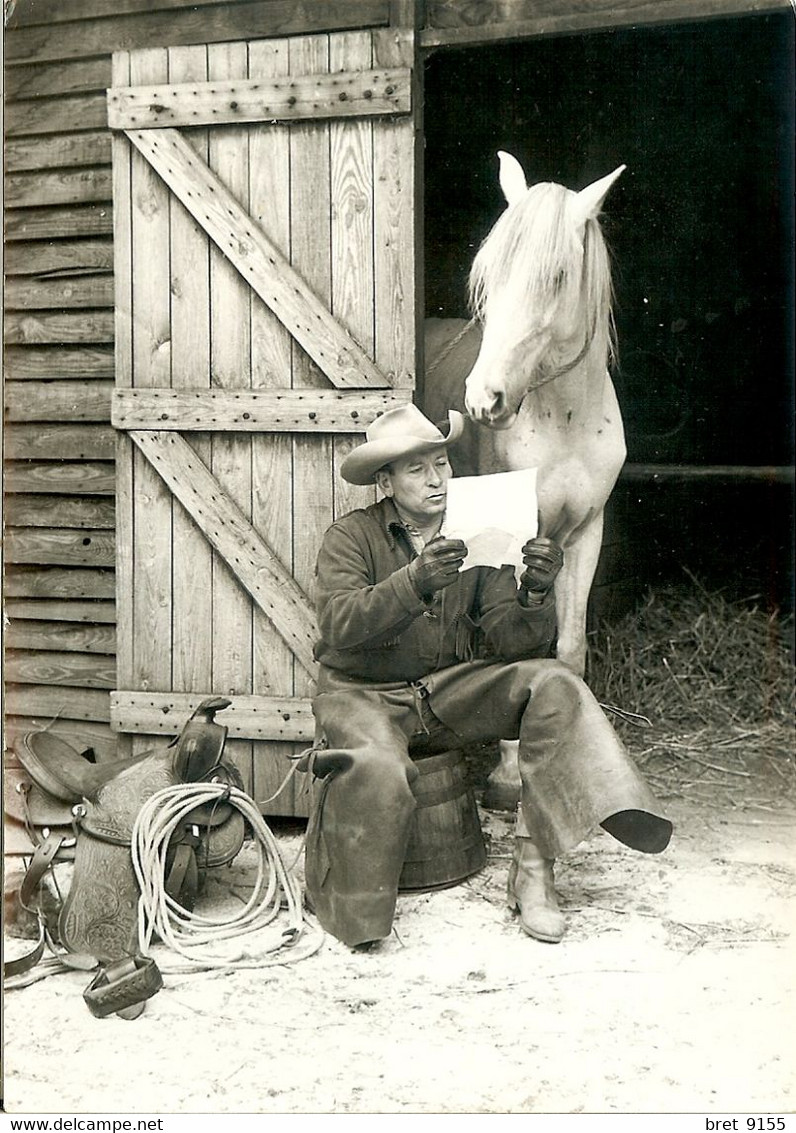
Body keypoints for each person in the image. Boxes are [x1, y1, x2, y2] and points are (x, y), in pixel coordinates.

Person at [304, 404, 672, 949]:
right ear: (384, 480)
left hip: (446, 691)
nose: (436, 480)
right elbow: (337, 626)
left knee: (554, 684)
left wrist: (535, 592)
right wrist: (414, 583)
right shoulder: (352, 537)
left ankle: (533, 870)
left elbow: (512, 643)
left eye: (442, 463)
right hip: (363, 696)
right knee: (377, 765)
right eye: (415, 469)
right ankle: (352, 911)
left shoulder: (479, 532)